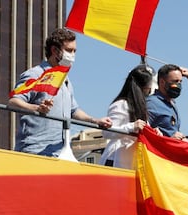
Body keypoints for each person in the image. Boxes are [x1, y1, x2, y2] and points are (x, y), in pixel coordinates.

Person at [8, 28, 112, 157]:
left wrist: (95, 120)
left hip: (60, 152)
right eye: (69, 50)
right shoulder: (35, 74)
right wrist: (36, 107)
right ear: (54, 50)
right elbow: (13, 102)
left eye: (75, 51)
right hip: (35, 150)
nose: (73, 55)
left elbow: (74, 111)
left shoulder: (66, 80)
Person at [100, 64, 154, 169]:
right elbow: (107, 132)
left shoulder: (140, 107)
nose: (150, 91)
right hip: (115, 161)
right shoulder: (121, 104)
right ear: (143, 88)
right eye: (148, 88)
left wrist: (153, 131)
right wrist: (131, 127)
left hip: (132, 163)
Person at [146, 64, 188, 140]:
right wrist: (169, 139)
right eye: (175, 81)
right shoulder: (152, 103)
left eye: (180, 82)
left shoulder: (172, 104)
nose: (178, 85)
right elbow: (143, 132)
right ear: (162, 82)